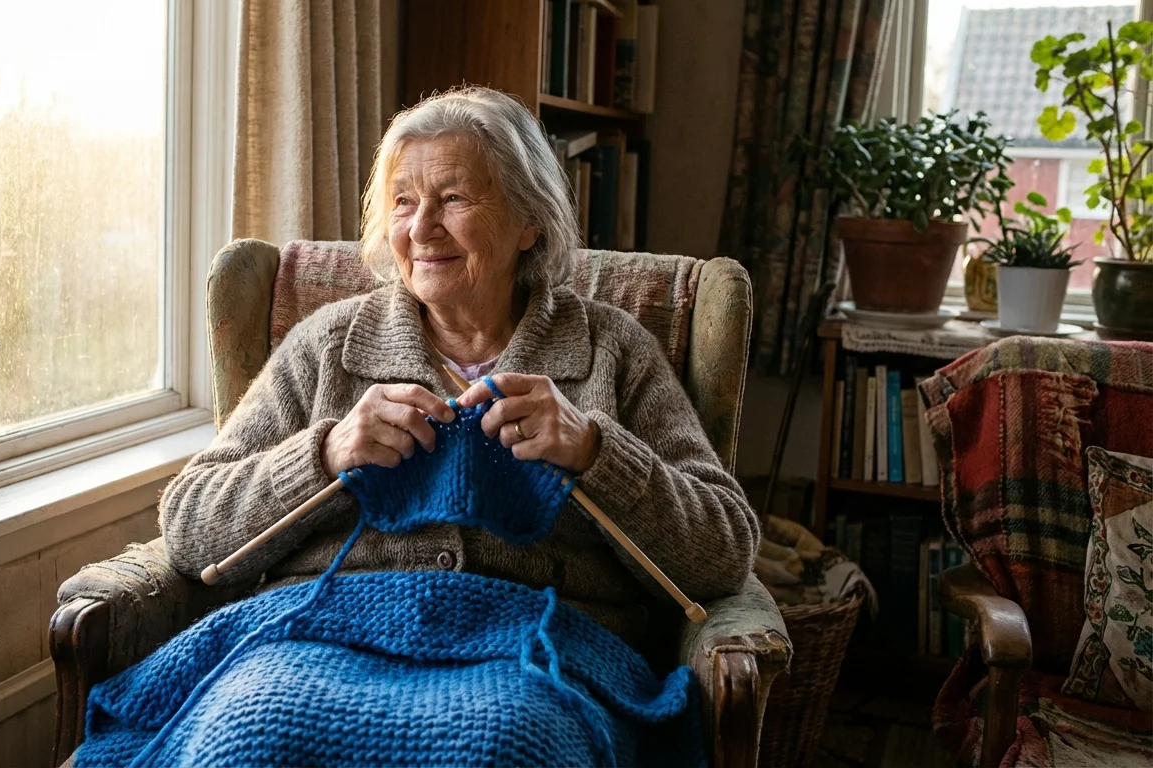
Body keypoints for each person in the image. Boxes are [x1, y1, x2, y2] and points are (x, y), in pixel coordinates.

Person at [159, 85, 758, 645]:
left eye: (453, 198)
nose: (421, 228)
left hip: (533, 653)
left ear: (529, 223)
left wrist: (595, 452)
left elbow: (724, 549)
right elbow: (190, 527)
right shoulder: (327, 346)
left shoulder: (612, 349)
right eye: (403, 202)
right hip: (324, 639)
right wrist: (325, 455)